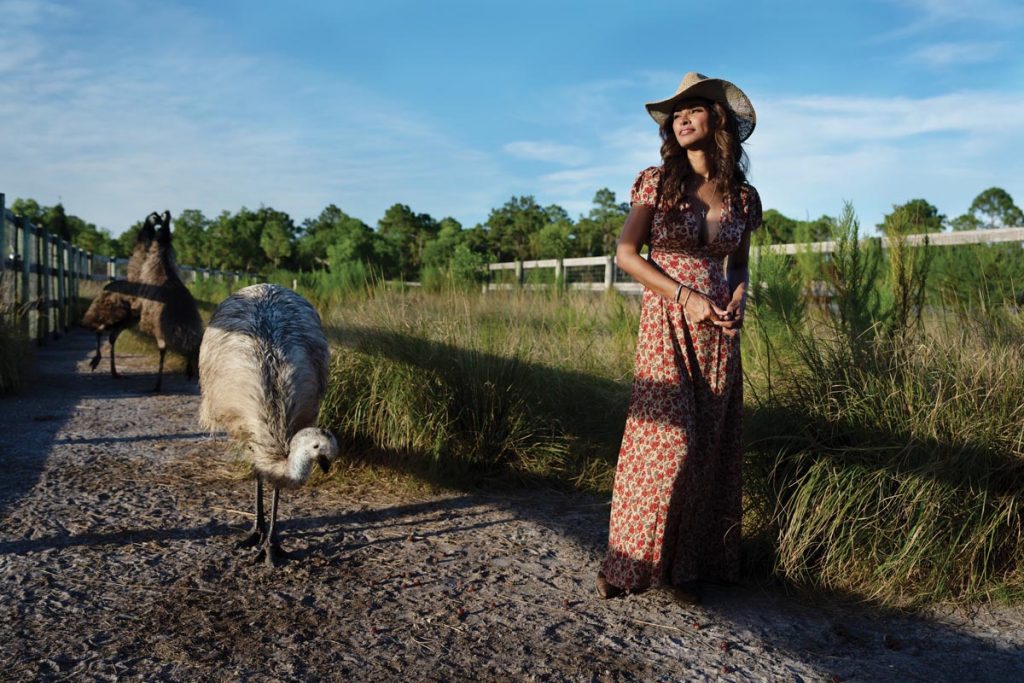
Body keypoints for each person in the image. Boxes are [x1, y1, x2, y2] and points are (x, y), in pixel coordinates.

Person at [597, 72, 761, 601]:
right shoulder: (656, 182)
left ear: (719, 119)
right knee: (665, 442)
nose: (681, 118)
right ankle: (626, 564)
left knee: (711, 447)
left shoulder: (742, 197)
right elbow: (626, 255)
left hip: (719, 332)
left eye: (693, 108)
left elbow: (738, 268)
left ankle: (688, 567)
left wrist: (736, 297)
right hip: (667, 321)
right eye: (676, 113)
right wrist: (685, 298)